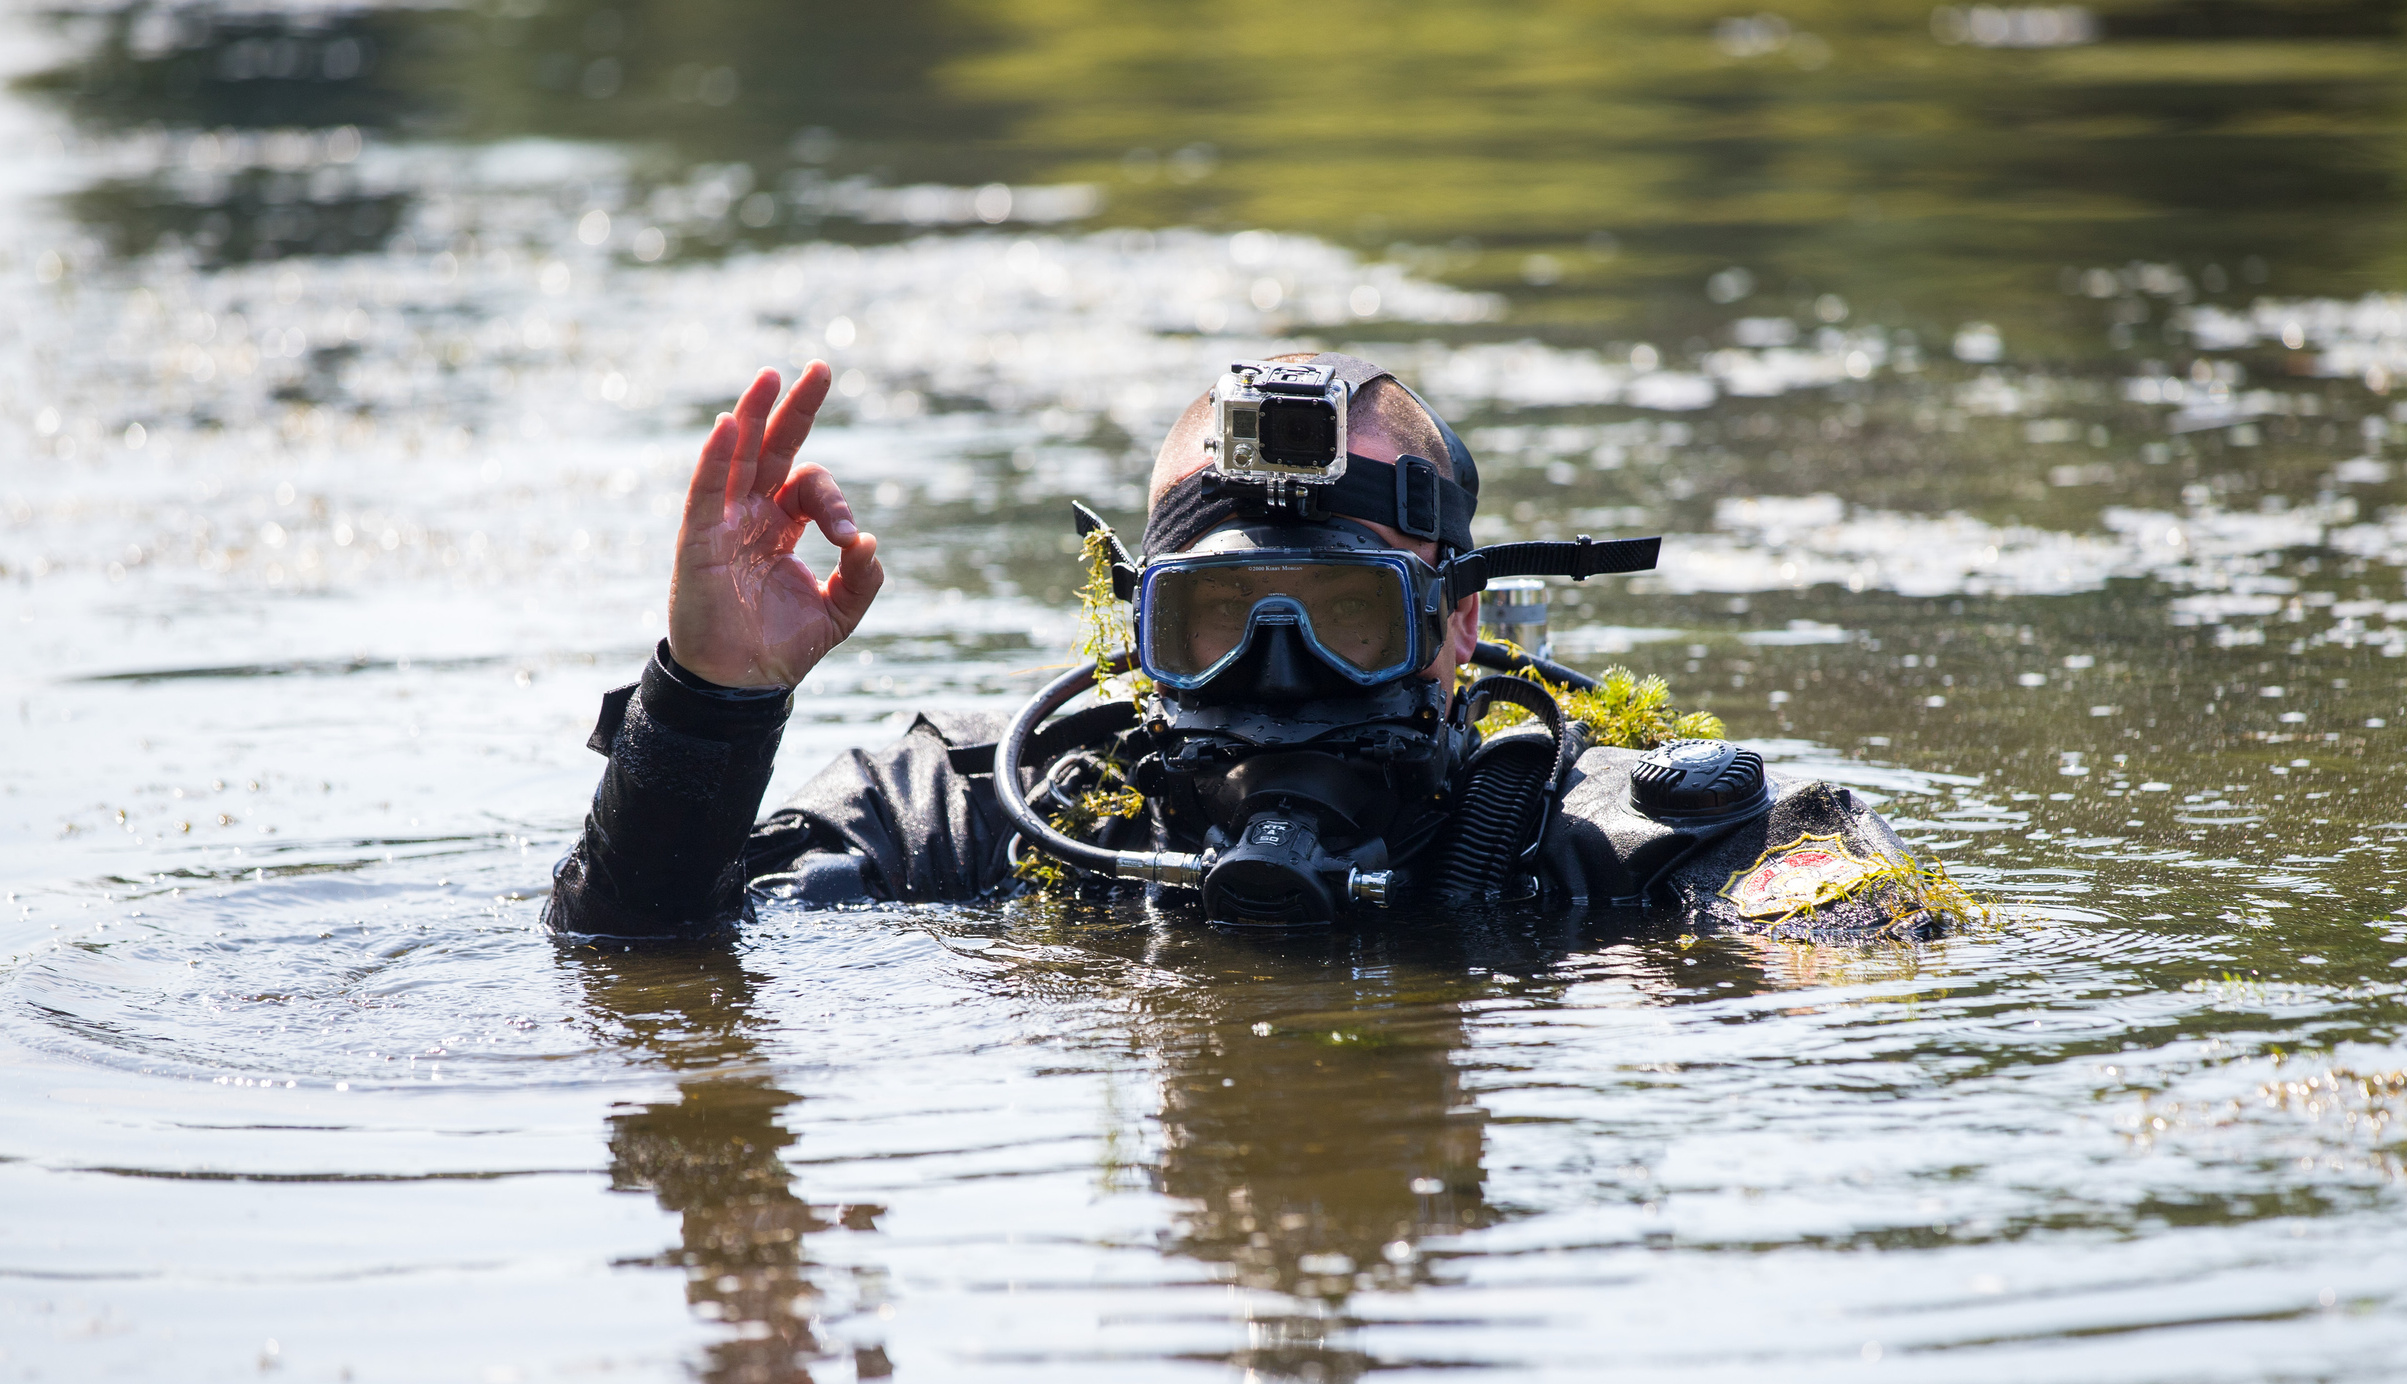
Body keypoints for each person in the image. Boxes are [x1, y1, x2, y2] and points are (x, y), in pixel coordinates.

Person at [545, 355, 1948, 941]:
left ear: (1459, 623)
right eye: (1217, 621)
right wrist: (711, 704)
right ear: (1140, 630)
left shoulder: (1605, 836)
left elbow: (1886, 940)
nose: (1279, 670)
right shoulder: (980, 814)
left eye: (1344, 618)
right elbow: (626, 947)